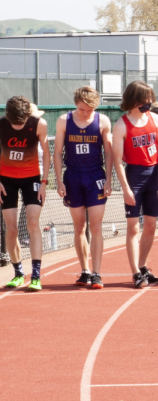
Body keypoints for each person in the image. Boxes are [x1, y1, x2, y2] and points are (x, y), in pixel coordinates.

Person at [53, 87, 113, 289]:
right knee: (79, 227)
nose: (85, 113)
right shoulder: (64, 121)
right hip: (73, 177)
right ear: (75, 104)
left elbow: (109, 152)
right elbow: (58, 152)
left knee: (96, 227)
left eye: (89, 110)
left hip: (95, 176)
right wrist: (59, 180)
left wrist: (108, 179)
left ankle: (97, 273)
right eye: (81, 109)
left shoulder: (103, 121)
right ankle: (85, 270)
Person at [111, 81, 158, 289]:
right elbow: (117, 160)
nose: (150, 102)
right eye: (146, 99)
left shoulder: (154, 118)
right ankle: (135, 272)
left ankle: (143, 266)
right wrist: (125, 188)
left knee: (151, 225)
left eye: (151, 99)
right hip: (134, 176)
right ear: (134, 100)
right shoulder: (121, 126)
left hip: (154, 173)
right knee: (133, 227)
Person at [1, 97, 50, 291]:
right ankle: (18, 273)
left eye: (22, 122)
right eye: (15, 122)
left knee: (32, 222)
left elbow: (46, 153)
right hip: (6, 180)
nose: (18, 125)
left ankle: (36, 276)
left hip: (32, 179)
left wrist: (44, 182)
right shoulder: (2, 125)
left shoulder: (39, 124)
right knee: (11, 228)